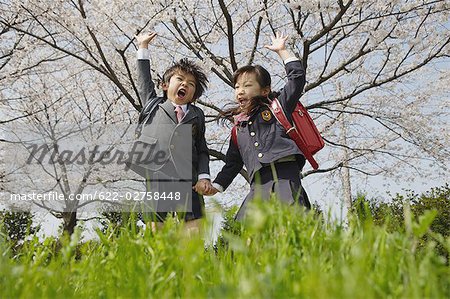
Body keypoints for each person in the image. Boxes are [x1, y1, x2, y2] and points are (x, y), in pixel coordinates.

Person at [205, 32, 311, 220]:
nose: (240, 91)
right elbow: (232, 163)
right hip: (257, 187)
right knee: (249, 235)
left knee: (290, 226)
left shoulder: (279, 107)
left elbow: (297, 79)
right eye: (237, 87)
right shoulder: (239, 128)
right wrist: (217, 185)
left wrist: (283, 51)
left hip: (285, 178)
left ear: (265, 90)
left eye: (247, 85)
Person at [133, 32, 213, 232]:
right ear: (165, 85)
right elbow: (144, 81)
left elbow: (202, 149)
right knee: (157, 232)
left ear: (194, 94)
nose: (185, 84)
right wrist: (143, 47)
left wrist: (204, 176)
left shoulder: (197, 114)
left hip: (190, 180)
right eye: (180, 79)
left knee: (194, 231)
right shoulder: (154, 104)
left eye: (191, 84)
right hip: (159, 176)